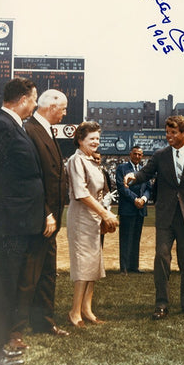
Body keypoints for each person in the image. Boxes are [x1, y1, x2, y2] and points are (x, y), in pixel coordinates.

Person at [124, 115, 184, 319]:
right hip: (166, 216)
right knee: (162, 259)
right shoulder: (160, 155)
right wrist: (133, 177)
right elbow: (145, 174)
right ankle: (161, 304)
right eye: (167, 132)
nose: (169, 136)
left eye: (173, 132)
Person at [0, 78, 45, 365]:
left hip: (20, 223)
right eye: (34, 99)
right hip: (8, 224)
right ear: (23, 99)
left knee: (8, 288)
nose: (35, 105)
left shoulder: (15, 126)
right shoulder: (2, 125)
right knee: (1, 288)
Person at [10, 89, 70, 343]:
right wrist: (46, 213)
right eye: (63, 108)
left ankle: (44, 322)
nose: (65, 113)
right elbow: (31, 179)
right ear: (51, 106)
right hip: (40, 218)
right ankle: (15, 330)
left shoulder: (44, 130)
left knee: (46, 273)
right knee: (29, 275)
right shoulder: (30, 130)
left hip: (52, 219)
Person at [66, 121, 119, 327]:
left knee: (92, 264)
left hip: (94, 217)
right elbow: (81, 193)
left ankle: (87, 309)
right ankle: (74, 311)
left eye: (98, 138)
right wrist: (104, 213)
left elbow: (101, 191)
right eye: (91, 139)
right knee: (83, 265)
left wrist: (105, 211)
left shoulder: (92, 160)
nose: (96, 142)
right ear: (80, 140)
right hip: (81, 217)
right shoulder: (75, 160)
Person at [116, 146, 152, 274]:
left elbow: (148, 188)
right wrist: (135, 199)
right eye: (135, 154)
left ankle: (133, 266)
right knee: (125, 238)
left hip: (140, 208)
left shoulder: (144, 170)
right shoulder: (122, 168)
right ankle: (124, 267)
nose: (137, 156)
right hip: (128, 208)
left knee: (136, 238)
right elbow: (122, 187)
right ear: (130, 154)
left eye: (140, 154)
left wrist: (143, 199)